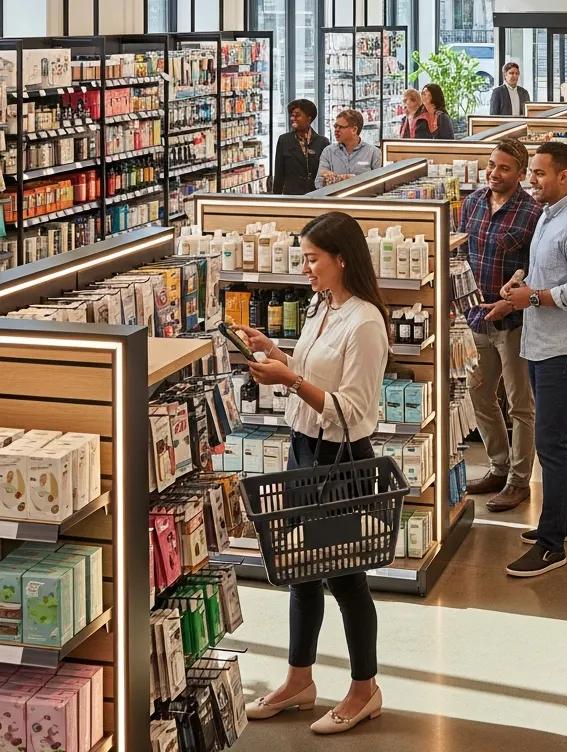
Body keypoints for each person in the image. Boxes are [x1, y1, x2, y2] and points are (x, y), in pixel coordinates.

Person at [238, 211, 390, 736]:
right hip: (304, 449)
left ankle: (364, 688)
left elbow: (355, 410)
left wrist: (290, 378)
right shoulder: (322, 306)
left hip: (341, 462)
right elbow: (310, 372)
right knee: (300, 572)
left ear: (341, 258)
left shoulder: (366, 322)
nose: (305, 268)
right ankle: (299, 679)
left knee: (347, 578)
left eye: (311, 259)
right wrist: (272, 352)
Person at [487, 141, 567, 578]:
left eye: (538, 173)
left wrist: (533, 296)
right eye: (531, 172)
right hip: (542, 342)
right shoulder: (551, 216)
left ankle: (553, 545)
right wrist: (518, 290)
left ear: (564, 177)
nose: (531, 180)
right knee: (562, 437)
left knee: (549, 444)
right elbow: (546, 273)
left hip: (563, 349)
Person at [461, 139, 543, 512]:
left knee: (519, 403)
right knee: (479, 394)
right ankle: (498, 464)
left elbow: (538, 268)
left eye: (504, 168)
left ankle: (518, 481)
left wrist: (510, 299)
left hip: (514, 323)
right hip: (477, 318)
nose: (494, 173)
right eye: (492, 165)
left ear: (521, 174)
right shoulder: (473, 203)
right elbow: (461, 256)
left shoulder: (533, 212)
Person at [272, 99, 330, 195]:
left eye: (297, 115)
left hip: (316, 196)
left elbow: (327, 173)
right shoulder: (284, 140)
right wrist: (275, 199)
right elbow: (279, 174)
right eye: (292, 115)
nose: (293, 118)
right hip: (291, 197)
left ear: (309, 118)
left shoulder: (322, 142)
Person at [315, 109, 383, 188]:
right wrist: (342, 178)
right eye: (335, 126)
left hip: (362, 199)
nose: (336, 130)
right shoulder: (328, 151)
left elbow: (378, 184)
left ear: (354, 130)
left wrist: (337, 178)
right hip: (335, 199)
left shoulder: (373, 152)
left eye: (341, 127)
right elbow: (318, 183)